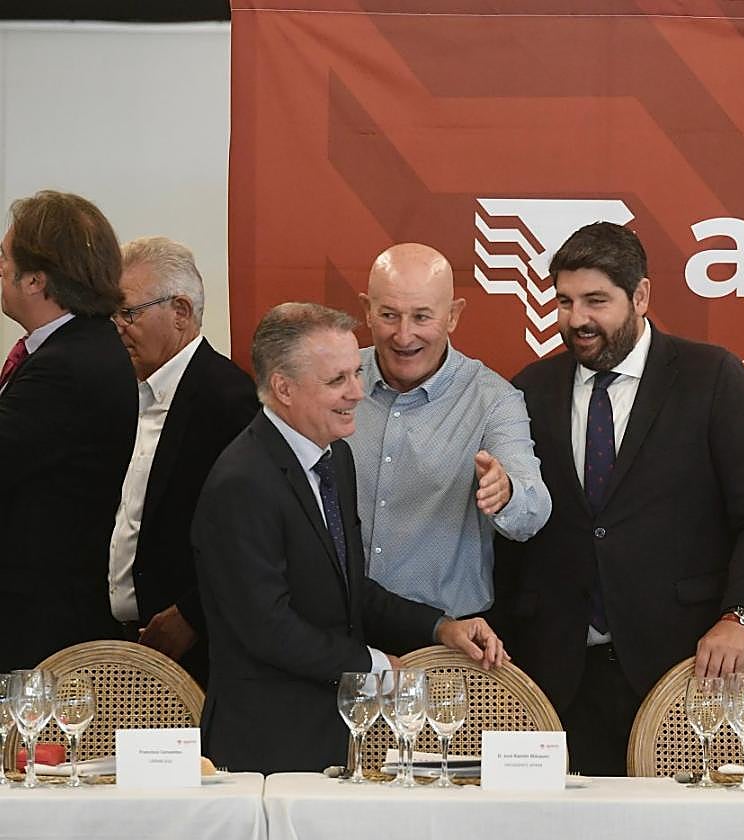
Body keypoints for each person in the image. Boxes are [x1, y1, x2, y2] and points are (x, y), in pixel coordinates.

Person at [493, 222, 744, 776]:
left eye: (596, 301)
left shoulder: (711, 376)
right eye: (564, 301)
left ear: (641, 296)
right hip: (554, 675)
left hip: (683, 669)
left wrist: (743, 616)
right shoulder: (528, 388)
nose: (577, 319)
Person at [192, 302, 506, 774]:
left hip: (331, 737)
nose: (358, 393)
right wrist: (377, 666)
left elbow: (349, 589)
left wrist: (441, 627)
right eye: (337, 380)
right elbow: (267, 628)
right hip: (265, 747)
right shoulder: (242, 481)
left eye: (356, 374)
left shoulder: (335, 458)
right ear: (283, 388)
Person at [349, 243, 550, 618]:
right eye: (389, 315)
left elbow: (533, 511)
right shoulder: (336, 380)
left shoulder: (493, 400)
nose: (404, 335)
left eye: (422, 317)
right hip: (336, 629)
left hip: (445, 636)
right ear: (367, 311)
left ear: (453, 315)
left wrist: (506, 493)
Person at [108, 236, 259, 686]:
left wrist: (193, 613)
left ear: (180, 311)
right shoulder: (118, 389)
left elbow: (251, 538)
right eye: (110, 314)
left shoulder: (229, 400)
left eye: (128, 312)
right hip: (115, 642)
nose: (116, 326)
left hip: (196, 654)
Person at [0, 190, 138, 671]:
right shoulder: (81, 347)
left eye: (4, 257)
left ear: (35, 279)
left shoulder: (66, 365)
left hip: (38, 627)